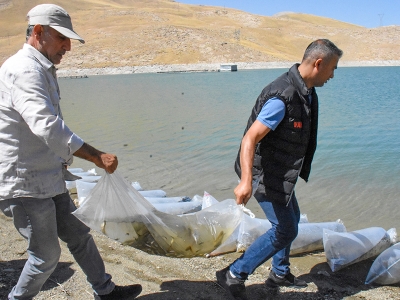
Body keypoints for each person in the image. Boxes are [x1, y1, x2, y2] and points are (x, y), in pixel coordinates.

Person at [0, 4, 142, 300]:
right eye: (62, 38)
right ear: (38, 32)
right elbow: (47, 126)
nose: (68, 46)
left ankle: (105, 291)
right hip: (24, 183)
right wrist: (95, 156)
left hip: (48, 175)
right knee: (46, 257)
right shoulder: (24, 70)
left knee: (78, 234)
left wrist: (65, 162)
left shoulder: (42, 67)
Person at [216, 39, 343, 299]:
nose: (333, 75)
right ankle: (233, 273)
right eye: (333, 68)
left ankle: (280, 272)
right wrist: (246, 181)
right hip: (264, 173)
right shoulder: (282, 95)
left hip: (280, 172)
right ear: (318, 63)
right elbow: (249, 139)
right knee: (285, 228)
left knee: (291, 220)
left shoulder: (305, 90)